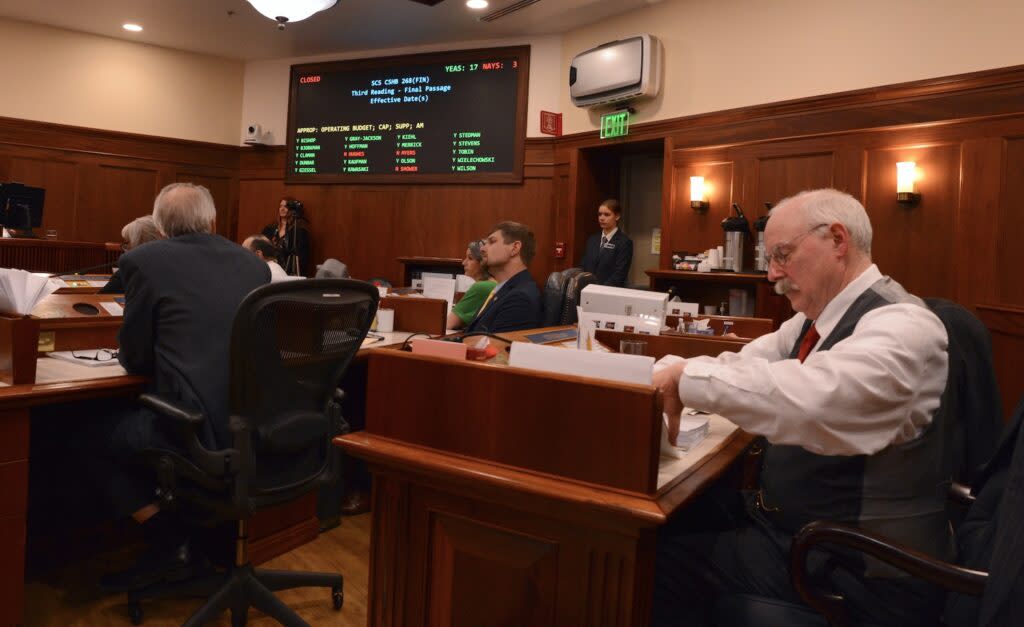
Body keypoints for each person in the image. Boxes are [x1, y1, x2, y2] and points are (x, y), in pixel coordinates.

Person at [650, 189, 951, 627]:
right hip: (799, 530)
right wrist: (675, 369)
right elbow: (747, 362)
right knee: (665, 522)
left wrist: (686, 379)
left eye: (782, 255)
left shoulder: (905, 324)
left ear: (836, 240)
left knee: (660, 562)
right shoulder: (814, 320)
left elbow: (819, 398)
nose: (772, 274)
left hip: (859, 568)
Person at [86, 182, 270, 591]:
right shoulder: (254, 265)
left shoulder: (144, 261)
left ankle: (171, 542)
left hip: (192, 429)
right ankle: (200, 540)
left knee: (88, 432)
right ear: (213, 222)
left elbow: (134, 359)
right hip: (254, 427)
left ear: (161, 227)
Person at [464, 221, 542, 335]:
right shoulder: (503, 289)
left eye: (492, 242)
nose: (482, 249)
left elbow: (495, 350)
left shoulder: (520, 298)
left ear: (514, 248)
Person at [100, 216, 162, 293]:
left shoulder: (130, 269)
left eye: (126, 243)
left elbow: (98, 298)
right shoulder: (170, 267)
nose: (125, 248)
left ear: (138, 243)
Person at [580, 199, 633, 287]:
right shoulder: (592, 240)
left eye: (607, 214)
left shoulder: (624, 242)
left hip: (609, 292)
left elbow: (619, 274)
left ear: (617, 216)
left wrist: (600, 290)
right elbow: (583, 266)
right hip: (587, 291)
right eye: (599, 214)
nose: (601, 218)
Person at [447, 239, 496, 330]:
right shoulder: (493, 283)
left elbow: (448, 324)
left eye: (470, 258)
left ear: (483, 262)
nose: (464, 263)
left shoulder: (482, 287)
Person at [261, 197, 310, 276]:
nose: (282, 209)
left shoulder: (299, 231)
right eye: (281, 206)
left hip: (288, 271)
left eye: (286, 207)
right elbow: (261, 247)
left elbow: (303, 257)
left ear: (293, 210)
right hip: (271, 268)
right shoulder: (270, 228)